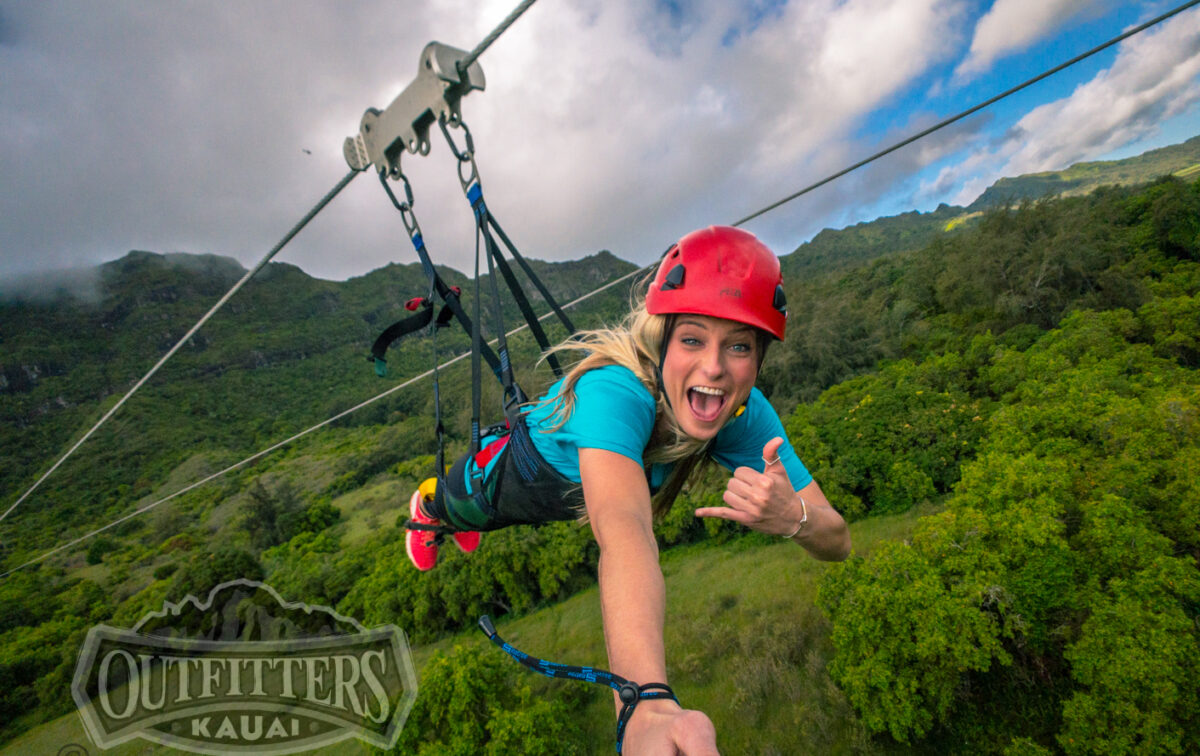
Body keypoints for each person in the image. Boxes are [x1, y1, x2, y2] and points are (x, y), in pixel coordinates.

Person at [406, 225, 851, 754]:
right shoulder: (614, 390)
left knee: (519, 517)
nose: (713, 367)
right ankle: (431, 509)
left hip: (567, 497)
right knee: (469, 507)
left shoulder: (744, 415)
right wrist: (645, 700)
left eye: (737, 346)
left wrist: (792, 516)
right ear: (661, 340)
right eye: (692, 339)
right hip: (514, 473)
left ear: (759, 360)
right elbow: (625, 528)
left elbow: (838, 539)